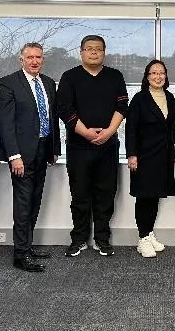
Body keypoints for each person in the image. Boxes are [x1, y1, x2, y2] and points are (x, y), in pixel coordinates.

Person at [57, 35, 128, 257]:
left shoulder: (115, 76)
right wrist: (86, 133)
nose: (94, 52)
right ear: (81, 52)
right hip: (78, 146)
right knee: (80, 195)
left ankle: (102, 239)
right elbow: (64, 108)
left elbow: (122, 106)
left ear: (104, 52)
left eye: (98, 49)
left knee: (106, 194)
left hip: (108, 145)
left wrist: (109, 132)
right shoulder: (70, 77)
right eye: (89, 49)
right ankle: (79, 239)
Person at [0, 42, 61, 272]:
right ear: (21, 59)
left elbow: (52, 117)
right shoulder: (9, 83)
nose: (34, 61)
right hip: (21, 154)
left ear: (43, 59)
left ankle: (27, 246)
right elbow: (5, 123)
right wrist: (13, 155)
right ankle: (20, 255)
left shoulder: (48, 83)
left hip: (43, 150)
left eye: (38, 57)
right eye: (30, 57)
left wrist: (54, 149)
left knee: (35, 201)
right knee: (23, 204)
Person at [125, 60, 175, 258]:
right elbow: (131, 128)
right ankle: (142, 238)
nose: (158, 76)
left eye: (161, 73)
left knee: (155, 195)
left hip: (164, 154)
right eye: (154, 73)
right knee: (144, 196)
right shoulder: (139, 99)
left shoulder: (169, 97)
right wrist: (132, 154)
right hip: (143, 155)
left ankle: (149, 233)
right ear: (147, 76)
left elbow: (174, 126)